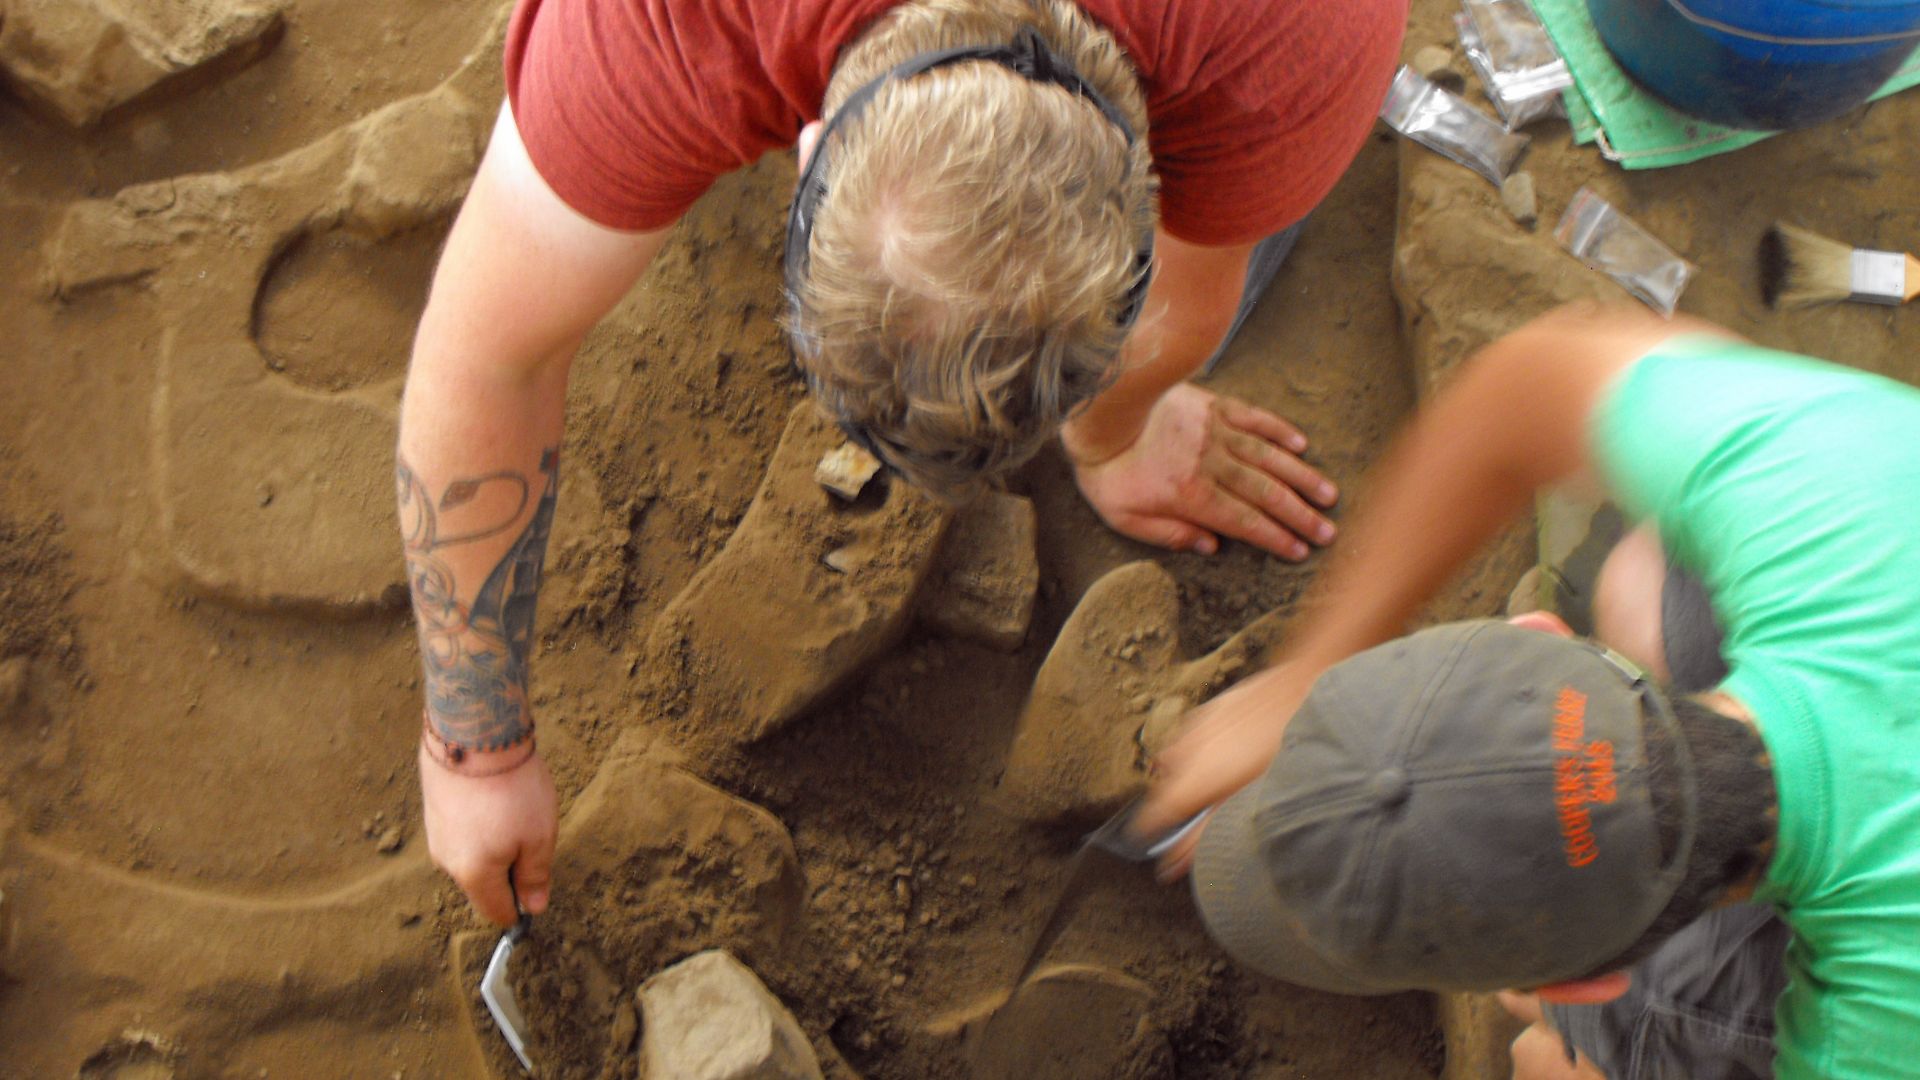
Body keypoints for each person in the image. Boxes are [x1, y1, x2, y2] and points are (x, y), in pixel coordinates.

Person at [399, 0, 1406, 926]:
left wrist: (1111, 433)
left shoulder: (1302, 33)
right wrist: (474, 751)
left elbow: (1190, 295)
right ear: (805, 155)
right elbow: (487, 355)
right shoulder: (657, 29)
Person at [1139, 305, 1920, 1077]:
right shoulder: (1816, 479)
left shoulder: (1871, 1042)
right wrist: (1304, 672)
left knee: (1592, 1049)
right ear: (1540, 633)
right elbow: (1528, 384)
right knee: (1642, 582)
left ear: (1576, 984)